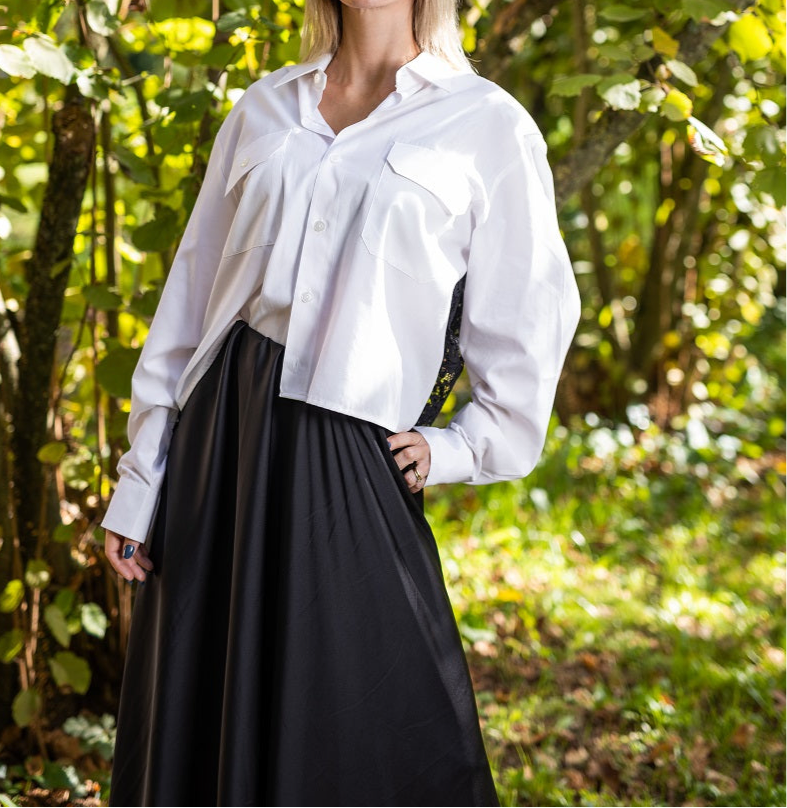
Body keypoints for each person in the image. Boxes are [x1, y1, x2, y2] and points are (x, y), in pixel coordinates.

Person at [101, 0, 581, 804]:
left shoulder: (485, 124)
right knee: (200, 709)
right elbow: (189, 299)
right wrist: (141, 477)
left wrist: (464, 445)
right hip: (224, 443)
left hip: (351, 447)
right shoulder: (262, 108)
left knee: (367, 702)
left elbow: (529, 316)